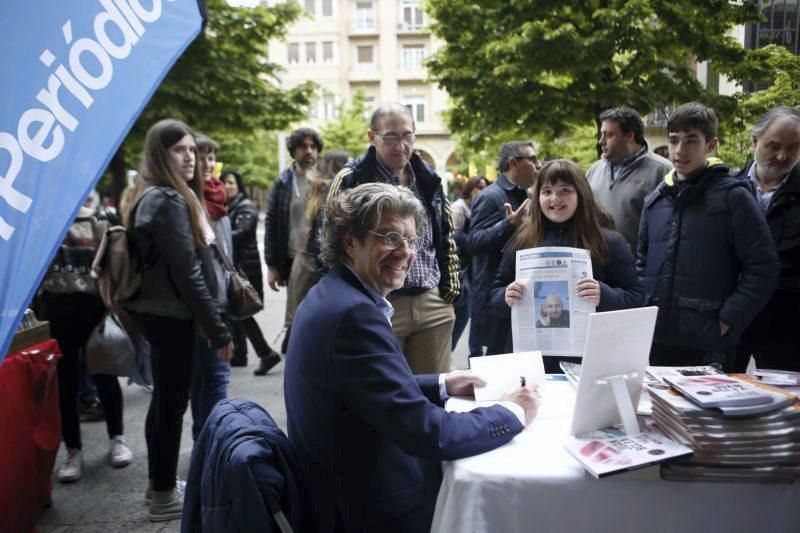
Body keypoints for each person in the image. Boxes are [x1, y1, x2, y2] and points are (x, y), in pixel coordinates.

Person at [285, 182, 540, 532]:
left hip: (340, 485)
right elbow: (430, 434)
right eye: (389, 237)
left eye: (411, 240)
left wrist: (443, 383)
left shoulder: (332, 293)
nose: (405, 252)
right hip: (369, 509)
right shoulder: (354, 315)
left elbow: (366, 390)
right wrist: (511, 411)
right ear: (349, 242)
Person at [125, 119, 233, 522]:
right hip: (171, 316)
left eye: (192, 149)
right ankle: (164, 493)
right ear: (160, 154)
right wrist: (218, 328)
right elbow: (187, 271)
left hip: (160, 313)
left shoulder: (151, 195)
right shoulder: (168, 200)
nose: (189, 157)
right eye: (179, 150)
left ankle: (162, 486)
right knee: (171, 405)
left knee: (166, 402)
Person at [636, 103, 779, 370]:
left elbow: (763, 268)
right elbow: (642, 264)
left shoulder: (733, 197)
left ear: (711, 144)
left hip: (711, 345)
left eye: (691, 141)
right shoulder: (656, 200)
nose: (680, 150)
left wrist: (727, 320)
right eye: (674, 140)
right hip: (658, 340)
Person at [326, 103, 460, 374]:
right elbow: (330, 242)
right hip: (376, 303)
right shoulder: (352, 179)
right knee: (380, 393)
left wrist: (450, 290)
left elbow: (446, 235)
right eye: (390, 137)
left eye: (407, 135)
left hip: (431, 301)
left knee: (436, 392)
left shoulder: (429, 179)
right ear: (372, 137)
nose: (400, 145)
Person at [492, 159, 644, 372]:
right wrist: (506, 296)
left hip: (590, 360)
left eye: (565, 190)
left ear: (581, 194)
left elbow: (636, 297)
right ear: (537, 198)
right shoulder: (522, 241)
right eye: (546, 191)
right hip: (532, 362)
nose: (555, 199)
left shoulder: (608, 241)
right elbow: (494, 296)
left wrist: (604, 294)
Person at [38, 194, 132, 483]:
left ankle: (117, 437)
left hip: (95, 307)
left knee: (104, 373)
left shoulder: (103, 219)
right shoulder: (44, 223)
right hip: (58, 307)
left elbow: (118, 266)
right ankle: (73, 449)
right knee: (66, 382)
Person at [734, 107, 800, 371]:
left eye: (794, 148)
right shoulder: (730, 189)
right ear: (754, 141)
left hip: (787, 324)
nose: (783, 156)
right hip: (735, 319)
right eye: (774, 146)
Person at [462, 142, 537, 356]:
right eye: (532, 159)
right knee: (494, 365)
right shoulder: (490, 196)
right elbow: (473, 242)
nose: (537, 164)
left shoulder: (526, 195)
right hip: (496, 297)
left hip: (521, 295)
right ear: (514, 163)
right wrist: (508, 224)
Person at [190, 134, 234, 440]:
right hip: (203, 303)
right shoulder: (190, 201)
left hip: (221, 296)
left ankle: (204, 440)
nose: (205, 163)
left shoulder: (218, 197)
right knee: (215, 377)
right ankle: (211, 442)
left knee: (207, 379)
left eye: (209, 157)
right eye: (199, 156)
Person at [264, 127, 323, 354]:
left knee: (316, 306)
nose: (309, 151)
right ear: (293, 150)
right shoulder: (284, 181)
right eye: (303, 146)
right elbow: (271, 223)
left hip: (319, 256)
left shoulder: (325, 177)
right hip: (291, 256)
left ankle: (303, 343)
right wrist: (271, 265)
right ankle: (299, 342)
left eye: (313, 146)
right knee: (297, 303)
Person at [587, 106, 672, 251]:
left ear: (629, 136)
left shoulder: (662, 170)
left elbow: (670, 227)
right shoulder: (593, 170)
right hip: (597, 267)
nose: (601, 141)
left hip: (640, 268)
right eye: (602, 134)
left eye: (608, 135)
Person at [222, 169, 282, 375]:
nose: (228, 186)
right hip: (236, 268)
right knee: (236, 312)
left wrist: (216, 235)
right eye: (224, 183)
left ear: (238, 184)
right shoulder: (227, 207)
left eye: (231, 182)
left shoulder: (245, 206)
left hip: (244, 269)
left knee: (242, 312)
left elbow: (243, 232)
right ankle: (241, 355)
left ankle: (266, 353)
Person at [285, 150, 350, 328]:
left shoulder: (312, 188)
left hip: (303, 263)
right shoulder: (333, 190)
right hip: (317, 264)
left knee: (303, 319)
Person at [451, 175, 489, 352]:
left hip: (476, 265)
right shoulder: (459, 207)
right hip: (461, 266)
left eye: (484, 187)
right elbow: (455, 237)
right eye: (478, 187)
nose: (481, 190)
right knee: (465, 311)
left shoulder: (479, 205)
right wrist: (476, 242)